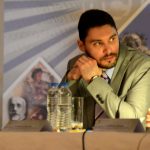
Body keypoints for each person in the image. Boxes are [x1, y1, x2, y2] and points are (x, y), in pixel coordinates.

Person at [62, 9, 150, 129]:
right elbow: (60, 120)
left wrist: (94, 80)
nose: (108, 50)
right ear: (81, 45)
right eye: (98, 43)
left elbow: (133, 121)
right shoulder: (76, 64)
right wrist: (70, 80)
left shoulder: (142, 66)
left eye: (112, 39)